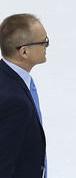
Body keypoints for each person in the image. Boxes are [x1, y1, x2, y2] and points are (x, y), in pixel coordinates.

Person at [0, 13, 49, 177]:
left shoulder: (7, 79)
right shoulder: (15, 102)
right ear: (24, 52)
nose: (47, 46)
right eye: (44, 42)